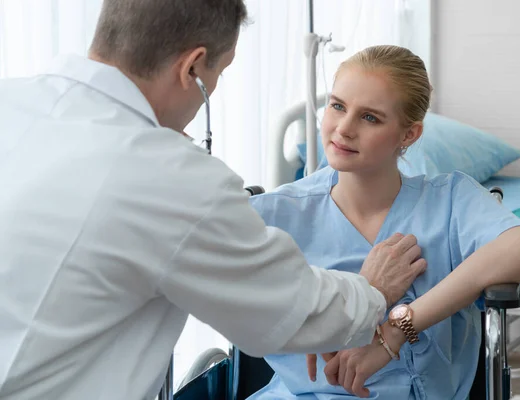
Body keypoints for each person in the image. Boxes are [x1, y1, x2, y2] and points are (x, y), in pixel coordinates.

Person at [0, 2, 427, 400]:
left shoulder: (12, 101)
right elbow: (289, 312)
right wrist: (371, 291)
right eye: (219, 72)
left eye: (369, 116)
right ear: (193, 70)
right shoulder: (171, 176)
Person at [247, 45, 520, 400]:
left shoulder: (450, 200)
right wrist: (351, 302)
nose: (343, 129)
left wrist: (394, 331)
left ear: (409, 135)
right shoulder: (276, 213)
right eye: (338, 106)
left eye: (369, 117)